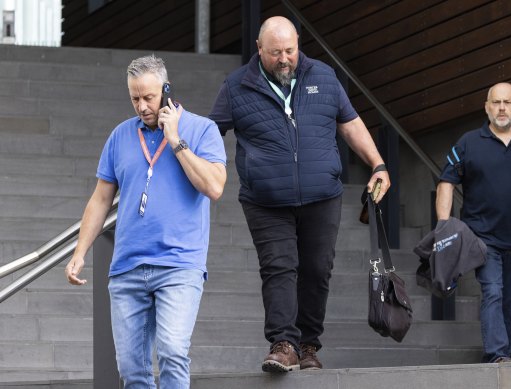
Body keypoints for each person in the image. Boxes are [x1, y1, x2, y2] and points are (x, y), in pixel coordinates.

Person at [209, 16, 390, 373]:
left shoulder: (323, 76)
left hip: (322, 196)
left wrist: (378, 164)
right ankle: (284, 343)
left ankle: (308, 345)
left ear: (298, 46)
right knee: (279, 268)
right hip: (265, 201)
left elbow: (350, 123)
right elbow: (211, 132)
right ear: (260, 49)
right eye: (275, 52)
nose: (284, 59)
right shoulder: (236, 86)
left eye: (290, 50)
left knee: (317, 270)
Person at [65, 55, 227, 387]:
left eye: (149, 97)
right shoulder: (120, 136)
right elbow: (100, 199)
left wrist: (175, 139)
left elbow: (214, 187)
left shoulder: (201, 129)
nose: (141, 106)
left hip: (179, 265)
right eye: (134, 98)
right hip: (127, 269)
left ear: (166, 91)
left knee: (172, 351)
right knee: (131, 370)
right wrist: (80, 251)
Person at [436, 82, 511, 363]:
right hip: (482, 236)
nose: (501, 108)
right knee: (492, 290)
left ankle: (502, 356)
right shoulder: (468, 143)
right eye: (495, 102)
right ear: (486, 107)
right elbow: (446, 184)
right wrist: (444, 228)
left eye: (507, 102)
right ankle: (498, 355)